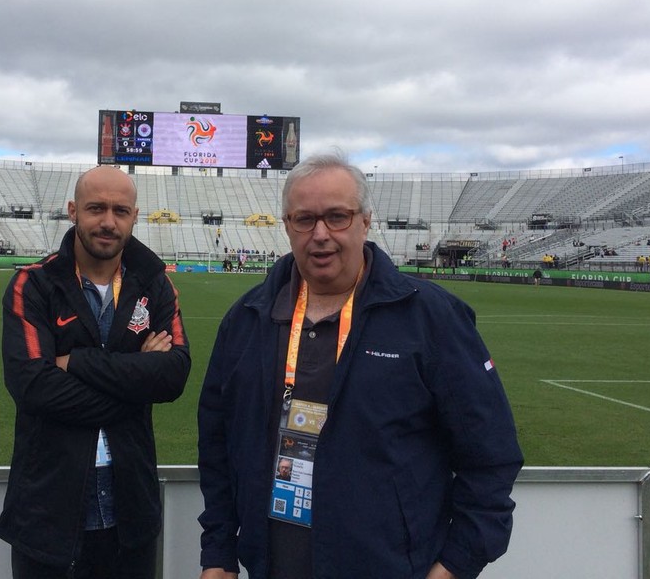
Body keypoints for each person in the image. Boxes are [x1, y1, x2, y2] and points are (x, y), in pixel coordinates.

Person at [197, 153, 523, 579]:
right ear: (286, 224)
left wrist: (455, 564)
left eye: (337, 217)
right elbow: (217, 445)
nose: (320, 234)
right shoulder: (246, 319)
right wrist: (220, 553)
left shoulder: (430, 318)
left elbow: (492, 456)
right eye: (304, 219)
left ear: (365, 221)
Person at [0, 165, 191, 579]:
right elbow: (33, 386)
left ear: (135, 216)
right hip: (48, 512)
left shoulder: (156, 285)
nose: (108, 221)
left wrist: (78, 363)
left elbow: (174, 375)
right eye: (96, 208)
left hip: (131, 515)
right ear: (73, 211)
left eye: (120, 210)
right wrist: (137, 379)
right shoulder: (33, 284)